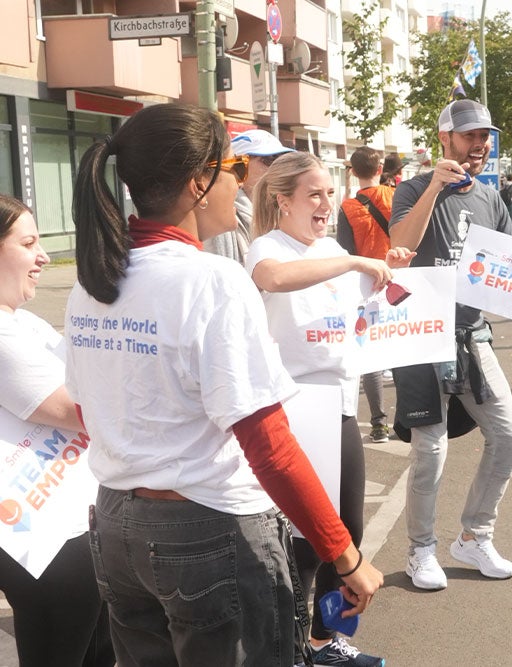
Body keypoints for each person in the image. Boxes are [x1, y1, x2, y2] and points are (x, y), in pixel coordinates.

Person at [65, 102, 382, 667]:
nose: (240, 182)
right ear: (197, 183)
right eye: (232, 168)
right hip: (207, 531)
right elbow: (271, 447)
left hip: (117, 527)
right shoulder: (212, 279)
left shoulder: (92, 280)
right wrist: (345, 554)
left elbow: (92, 412)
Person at [248, 150, 411, 666]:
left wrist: (383, 275)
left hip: (339, 406)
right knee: (301, 543)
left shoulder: (332, 249)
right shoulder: (265, 248)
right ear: (283, 201)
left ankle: (323, 640)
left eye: (329, 192)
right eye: (314, 194)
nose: (326, 203)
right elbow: (273, 279)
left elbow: (362, 314)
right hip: (292, 412)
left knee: (348, 532)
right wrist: (351, 260)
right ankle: (291, 647)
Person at [388, 98, 512, 591]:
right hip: (419, 334)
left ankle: (475, 536)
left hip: (472, 334)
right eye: (469, 136)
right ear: (445, 140)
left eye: (484, 137)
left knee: (508, 435)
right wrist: (435, 186)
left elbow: (504, 259)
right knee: (430, 450)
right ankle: (421, 551)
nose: (479, 145)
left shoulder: (490, 196)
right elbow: (400, 244)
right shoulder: (412, 189)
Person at [0, 195, 115, 667]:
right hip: (40, 530)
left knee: (96, 649)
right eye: (28, 243)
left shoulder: (22, 321)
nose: (44, 256)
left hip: (68, 517)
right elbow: (82, 409)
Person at [338, 146, 398, 445]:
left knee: (372, 354)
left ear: (353, 171)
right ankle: (408, 419)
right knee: (403, 346)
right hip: (400, 280)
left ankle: (378, 424)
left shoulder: (348, 207)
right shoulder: (395, 196)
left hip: (366, 285)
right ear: (380, 169)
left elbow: (345, 252)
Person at [203, 128, 293, 263]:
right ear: (238, 166)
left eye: (282, 161)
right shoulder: (220, 217)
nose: (277, 167)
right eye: (268, 160)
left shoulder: (287, 212)